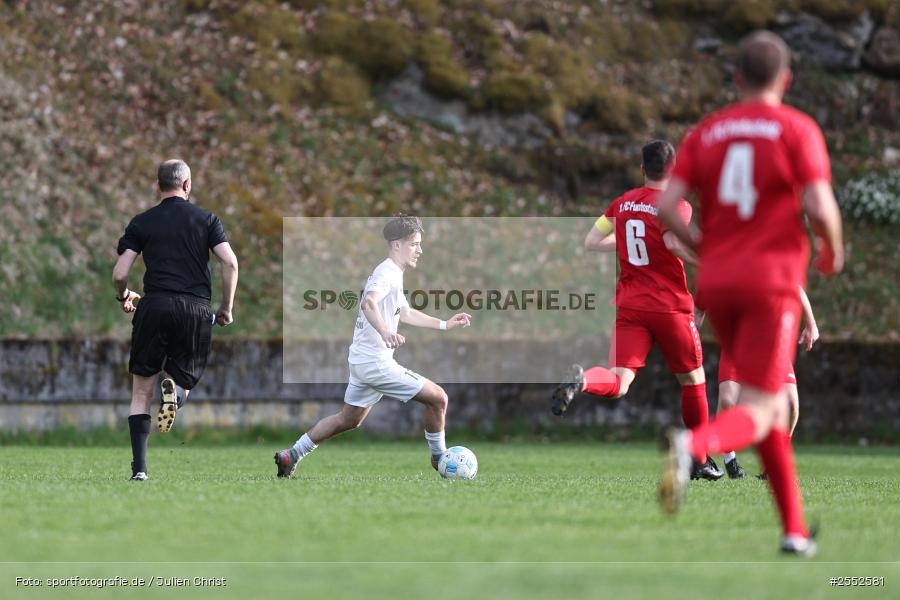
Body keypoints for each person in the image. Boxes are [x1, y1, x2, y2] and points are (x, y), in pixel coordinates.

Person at [656, 31, 844, 556]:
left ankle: (794, 532)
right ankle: (694, 446)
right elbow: (821, 209)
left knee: (769, 412)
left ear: (737, 79)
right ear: (785, 79)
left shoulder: (708, 132)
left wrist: (699, 244)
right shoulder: (796, 128)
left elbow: (669, 206)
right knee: (765, 410)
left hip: (720, 282)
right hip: (770, 283)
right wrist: (831, 253)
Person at [550, 140, 723, 481]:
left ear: (642, 169)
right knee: (693, 380)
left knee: (619, 379)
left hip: (630, 306)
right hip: (670, 306)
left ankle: (583, 380)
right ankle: (700, 460)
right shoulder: (677, 205)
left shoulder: (623, 203)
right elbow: (673, 242)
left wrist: (634, 239)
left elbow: (591, 242)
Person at [274, 215, 472, 478]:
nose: (419, 250)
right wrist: (386, 331)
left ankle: (291, 455)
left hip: (362, 360)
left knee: (349, 419)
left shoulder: (392, 273)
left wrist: (446, 324)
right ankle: (440, 460)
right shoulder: (387, 272)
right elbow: (369, 303)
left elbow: (407, 313)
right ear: (397, 245)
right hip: (375, 362)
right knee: (438, 398)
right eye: (414, 244)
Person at [113, 159, 239, 481]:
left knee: (141, 392)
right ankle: (177, 394)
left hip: (153, 307)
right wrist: (226, 307)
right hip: (195, 310)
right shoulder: (206, 219)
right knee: (184, 379)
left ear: (159, 186)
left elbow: (120, 273)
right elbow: (230, 263)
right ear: (187, 185)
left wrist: (124, 294)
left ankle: (139, 470)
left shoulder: (142, 222)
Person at [718, 286, 819, 479]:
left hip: (771, 342)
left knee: (791, 403)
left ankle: (776, 462)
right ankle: (729, 458)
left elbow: (795, 286)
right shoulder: (730, 263)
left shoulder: (772, 261)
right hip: (736, 342)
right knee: (727, 401)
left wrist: (811, 323)